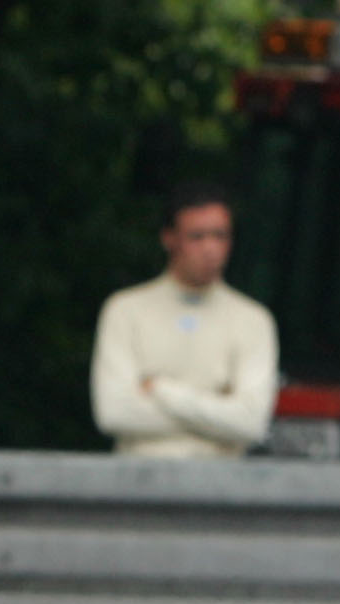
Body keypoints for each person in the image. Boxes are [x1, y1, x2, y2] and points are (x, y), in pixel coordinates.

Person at [90, 183, 278, 459]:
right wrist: (218, 410)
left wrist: (160, 391)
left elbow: (251, 424)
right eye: (197, 236)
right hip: (138, 484)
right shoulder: (125, 310)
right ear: (169, 239)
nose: (210, 249)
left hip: (220, 488)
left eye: (220, 236)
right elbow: (113, 414)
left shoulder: (254, 320)